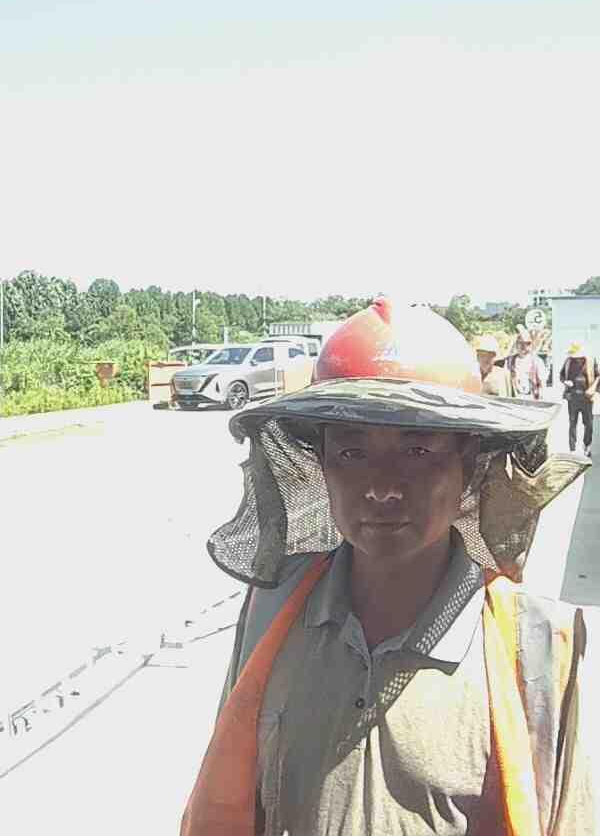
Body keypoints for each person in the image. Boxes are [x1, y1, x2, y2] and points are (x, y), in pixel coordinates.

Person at [181, 298, 593, 836]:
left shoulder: (537, 642)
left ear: (469, 464)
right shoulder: (274, 610)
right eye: (352, 454)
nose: (381, 487)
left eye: (417, 452)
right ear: (321, 464)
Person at [560, 341, 600, 457]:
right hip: (572, 398)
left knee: (589, 424)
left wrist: (593, 388)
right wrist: (565, 381)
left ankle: (587, 445)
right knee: (572, 424)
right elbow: (561, 375)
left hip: (587, 398)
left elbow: (598, 376)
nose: (576, 359)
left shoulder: (591, 361)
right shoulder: (568, 361)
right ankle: (572, 449)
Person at [504, 327, 547, 400]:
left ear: (530, 344)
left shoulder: (537, 361)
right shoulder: (509, 361)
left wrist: (541, 398)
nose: (523, 346)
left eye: (527, 343)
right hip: (514, 399)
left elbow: (542, 384)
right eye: (520, 343)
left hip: (531, 399)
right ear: (516, 344)